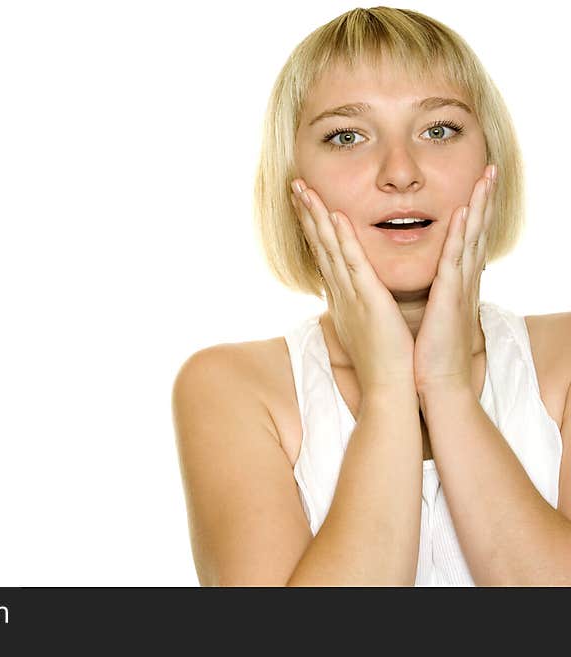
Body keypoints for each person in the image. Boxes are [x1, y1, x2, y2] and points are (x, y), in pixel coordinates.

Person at [171, 7, 570, 586]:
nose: (400, 171)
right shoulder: (229, 387)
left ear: (492, 163)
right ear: (291, 183)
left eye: (439, 130)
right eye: (346, 136)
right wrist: (387, 392)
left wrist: (448, 390)